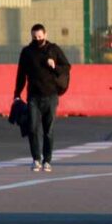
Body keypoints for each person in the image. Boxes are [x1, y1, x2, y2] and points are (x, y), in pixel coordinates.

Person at [13, 23, 70, 173]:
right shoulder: (27, 52)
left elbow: (66, 67)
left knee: (48, 130)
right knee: (32, 128)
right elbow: (21, 75)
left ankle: (47, 160)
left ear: (45, 35)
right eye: (34, 37)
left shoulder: (53, 49)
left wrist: (54, 66)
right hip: (33, 96)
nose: (37, 39)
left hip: (51, 96)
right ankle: (36, 159)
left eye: (39, 36)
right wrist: (16, 94)